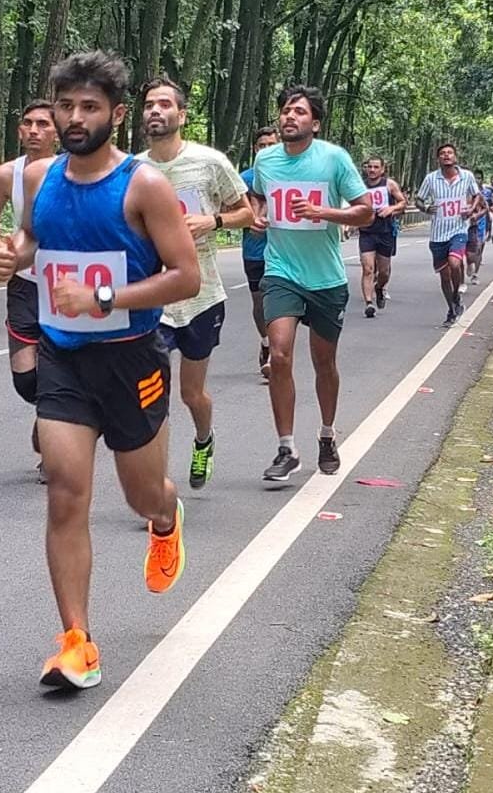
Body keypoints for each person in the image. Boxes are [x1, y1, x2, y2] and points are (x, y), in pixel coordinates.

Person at [0, 51, 200, 690]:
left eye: (89, 107)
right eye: (65, 105)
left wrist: (107, 298)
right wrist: (13, 258)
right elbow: (34, 237)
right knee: (66, 489)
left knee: (142, 492)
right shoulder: (45, 177)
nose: (75, 118)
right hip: (64, 358)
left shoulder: (144, 186)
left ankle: (166, 519)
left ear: (117, 114)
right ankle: (76, 641)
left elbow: (184, 275)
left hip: (132, 357)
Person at [250, 84, 373, 482]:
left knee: (324, 361)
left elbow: (366, 212)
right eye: (286, 110)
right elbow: (255, 198)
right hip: (281, 270)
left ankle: (326, 433)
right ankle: (286, 447)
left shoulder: (334, 159)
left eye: (299, 112)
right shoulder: (265, 160)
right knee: (280, 355)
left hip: (325, 278)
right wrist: (256, 214)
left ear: (315, 123)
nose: (290, 116)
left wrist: (324, 211)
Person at [136, 78, 253, 489]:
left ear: (181, 115)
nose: (155, 110)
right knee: (154, 395)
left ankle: (204, 439)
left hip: (201, 295)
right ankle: (156, 485)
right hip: (153, 298)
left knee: (191, 394)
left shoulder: (209, 162)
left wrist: (213, 220)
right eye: (149, 104)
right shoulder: (132, 169)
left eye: (164, 104)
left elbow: (247, 212)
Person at [0, 100, 59, 481]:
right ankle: (46, 408)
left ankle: (51, 437)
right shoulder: (6, 174)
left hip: (63, 284)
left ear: (57, 132)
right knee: (26, 379)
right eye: (27, 123)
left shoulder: (72, 173)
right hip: (24, 282)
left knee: (59, 369)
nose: (33, 131)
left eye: (43, 124)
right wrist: (0, 247)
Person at [416, 144, 482, 326]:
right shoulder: (431, 179)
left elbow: (476, 195)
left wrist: (471, 208)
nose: (446, 156)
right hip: (438, 234)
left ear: (455, 157)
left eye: (449, 153)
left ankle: (457, 294)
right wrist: (427, 208)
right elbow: (419, 199)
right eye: (442, 154)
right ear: (438, 158)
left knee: (455, 263)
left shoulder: (466, 176)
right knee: (444, 276)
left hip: (459, 229)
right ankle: (452, 308)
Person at [240, 126, 279, 378]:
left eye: (271, 145)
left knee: (277, 300)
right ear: (255, 149)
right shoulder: (243, 178)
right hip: (253, 250)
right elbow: (236, 210)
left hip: (281, 249)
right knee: (258, 303)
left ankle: (276, 355)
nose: (265, 149)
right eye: (261, 145)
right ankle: (266, 342)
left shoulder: (287, 175)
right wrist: (250, 220)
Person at [358, 155, 407, 317]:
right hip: (366, 231)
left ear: (382, 169)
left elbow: (402, 202)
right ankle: (369, 303)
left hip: (385, 231)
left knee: (384, 271)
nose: (372, 170)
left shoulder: (389, 184)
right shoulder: (360, 186)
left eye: (375, 167)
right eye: (369, 167)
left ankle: (379, 287)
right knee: (367, 268)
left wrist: (390, 209)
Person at [466, 169, 493, 286]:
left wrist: (482, 215)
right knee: (468, 252)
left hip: (481, 222)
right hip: (465, 223)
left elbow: (489, 206)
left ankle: (475, 274)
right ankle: (469, 263)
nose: (477, 180)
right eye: (475, 178)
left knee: (479, 248)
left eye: (479, 178)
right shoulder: (463, 191)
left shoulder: (486, 192)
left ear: (482, 179)